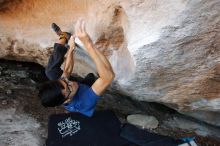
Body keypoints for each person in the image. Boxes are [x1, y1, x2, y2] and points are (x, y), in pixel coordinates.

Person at [38, 19, 115, 117]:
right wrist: (88, 44)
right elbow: (109, 77)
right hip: (85, 89)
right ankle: (89, 81)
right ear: (67, 99)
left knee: (50, 72)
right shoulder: (85, 102)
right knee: (96, 76)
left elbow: (67, 71)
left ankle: (63, 36)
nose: (71, 82)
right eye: (68, 86)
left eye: (65, 81)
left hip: (76, 91)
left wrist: (71, 49)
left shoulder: (64, 88)